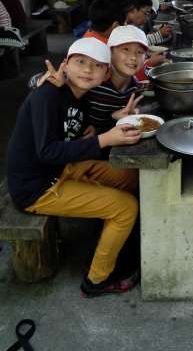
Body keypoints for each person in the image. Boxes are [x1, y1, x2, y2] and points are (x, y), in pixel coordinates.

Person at [7, 37, 142, 297]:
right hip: (37, 187)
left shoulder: (80, 94)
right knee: (126, 208)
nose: (88, 70)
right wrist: (104, 139)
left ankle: (110, 238)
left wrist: (111, 122)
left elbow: (76, 134)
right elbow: (47, 152)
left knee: (131, 178)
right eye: (80, 62)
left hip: (64, 168)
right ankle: (96, 280)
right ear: (65, 65)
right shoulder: (48, 94)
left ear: (105, 74)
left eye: (97, 65)